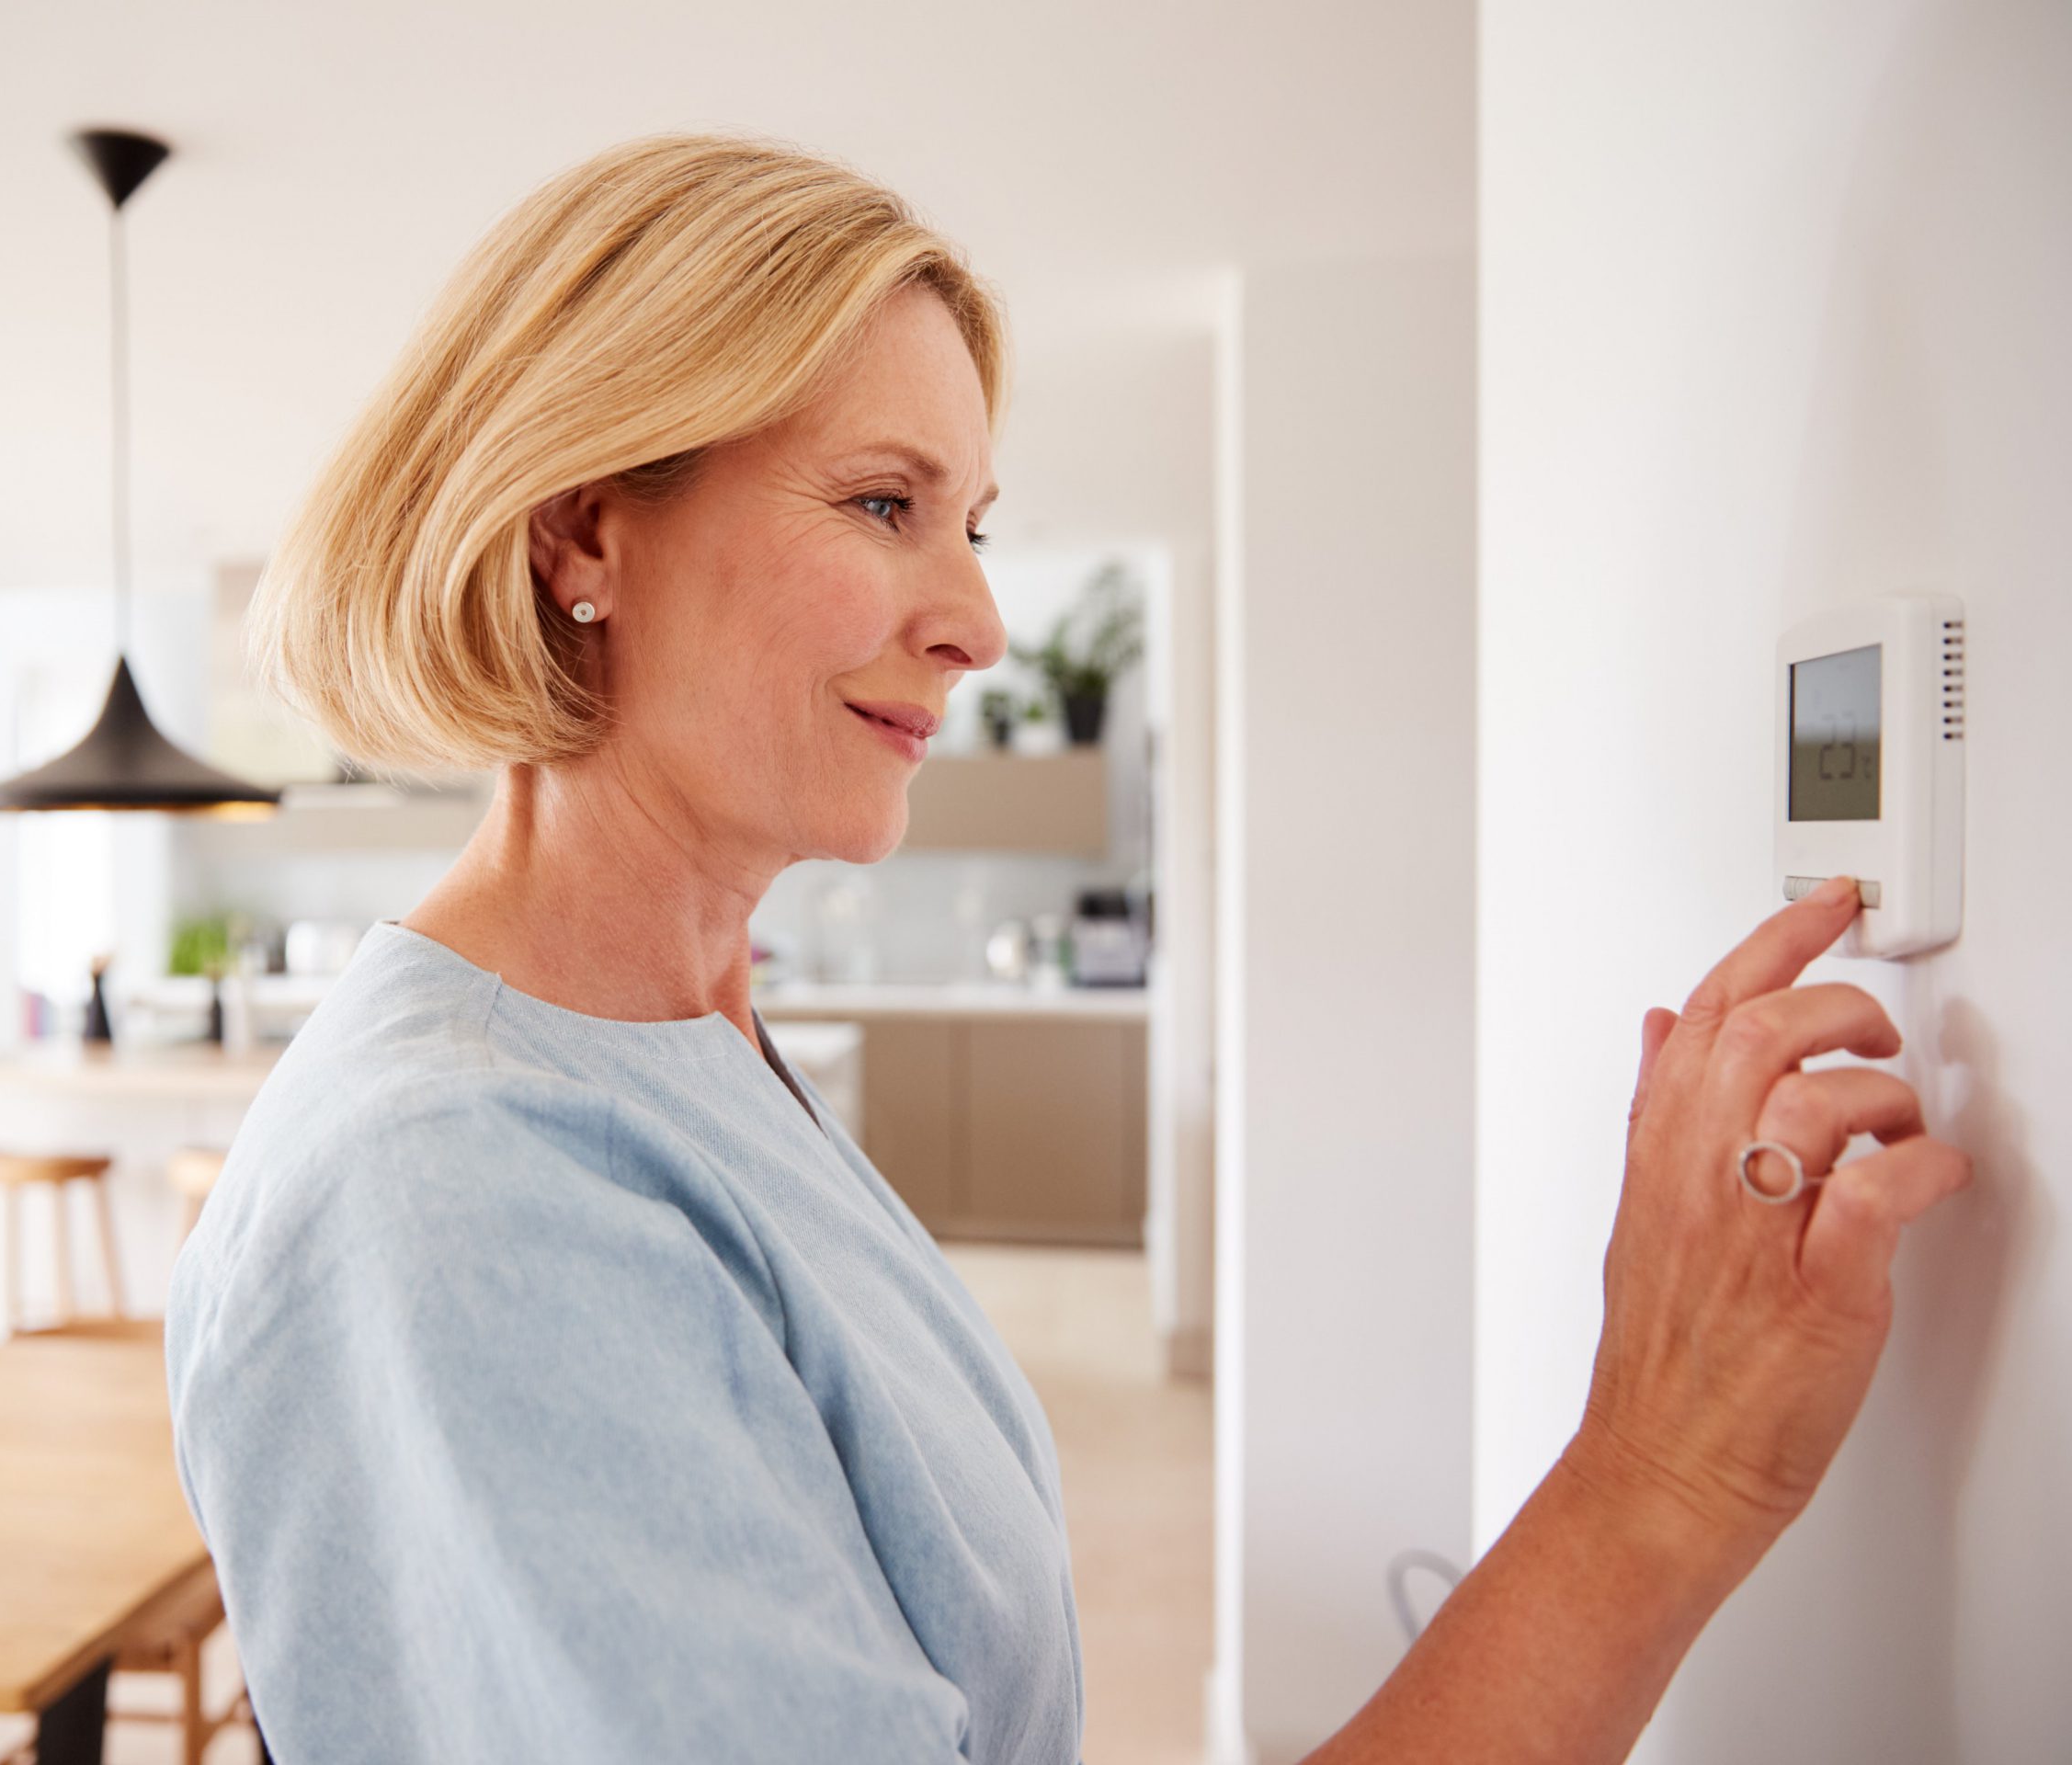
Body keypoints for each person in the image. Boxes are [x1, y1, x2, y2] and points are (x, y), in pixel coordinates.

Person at [163, 131, 1971, 1765]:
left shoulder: (681, 1039)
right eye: (883, 504)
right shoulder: (466, 1186)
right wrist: (1656, 1479)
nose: (974, 621)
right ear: (582, 535)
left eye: (971, 523)